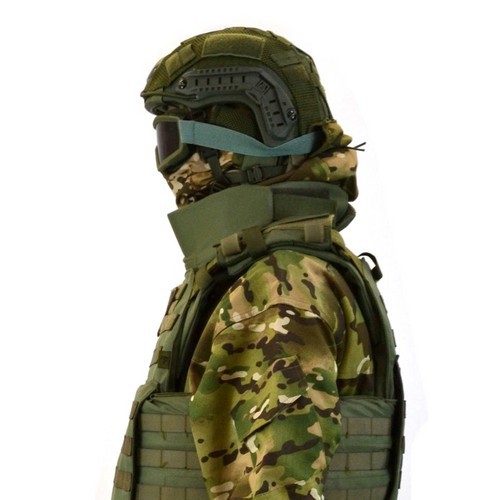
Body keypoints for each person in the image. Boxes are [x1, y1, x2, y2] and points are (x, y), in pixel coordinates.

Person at [112, 27, 403, 500]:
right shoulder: (277, 270)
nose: (167, 167)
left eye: (171, 140)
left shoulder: (277, 289)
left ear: (236, 146)